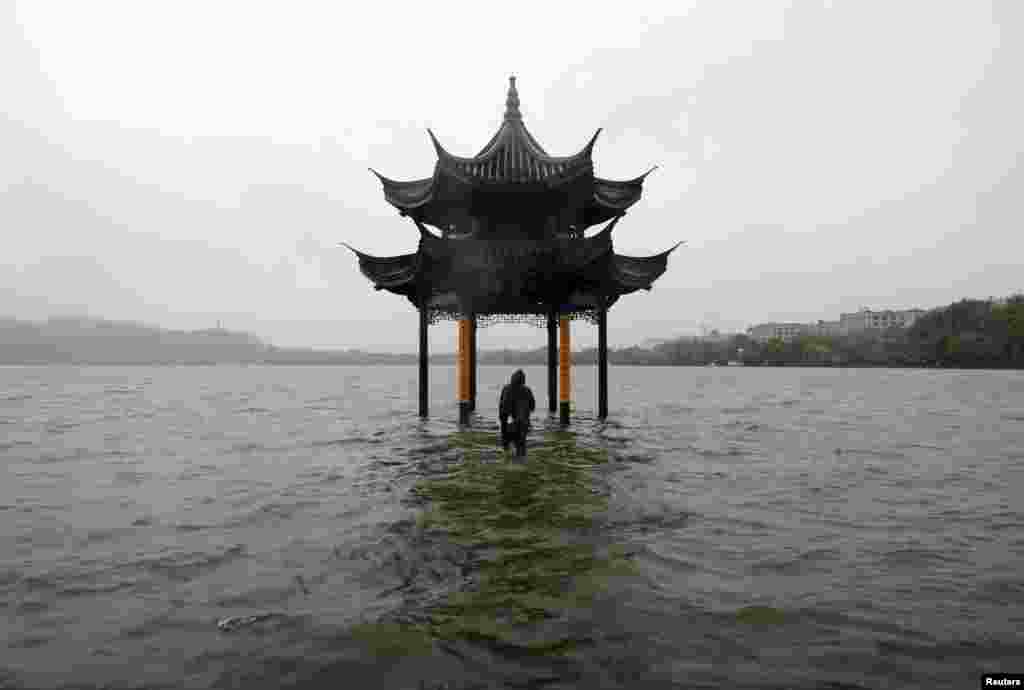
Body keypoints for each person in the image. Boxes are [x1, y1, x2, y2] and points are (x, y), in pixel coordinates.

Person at [499, 369, 535, 457]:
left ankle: (507, 454)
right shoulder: (527, 390)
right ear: (523, 380)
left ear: (512, 379)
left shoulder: (506, 389)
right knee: (521, 449)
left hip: (511, 425)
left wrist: (504, 431)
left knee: (507, 448)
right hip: (523, 424)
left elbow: (502, 410)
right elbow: (532, 407)